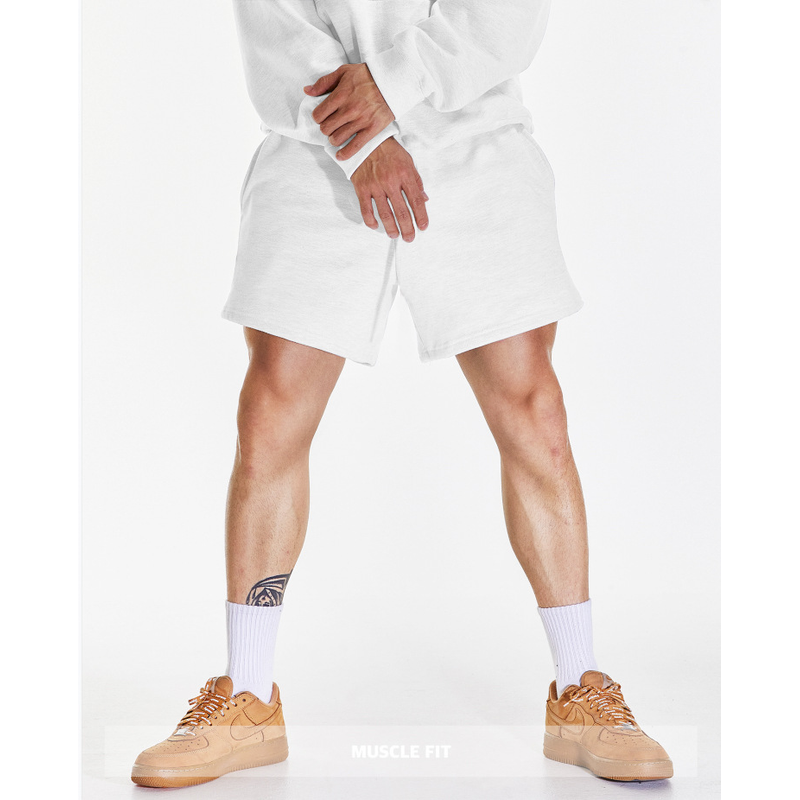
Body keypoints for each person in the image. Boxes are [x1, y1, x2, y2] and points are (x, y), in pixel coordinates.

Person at [131, 0, 672, 787]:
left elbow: (510, 16)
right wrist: (365, 137)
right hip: (316, 143)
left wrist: (392, 83)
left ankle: (579, 690)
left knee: (534, 410)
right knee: (271, 410)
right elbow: (274, 20)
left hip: (474, 138)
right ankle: (247, 697)